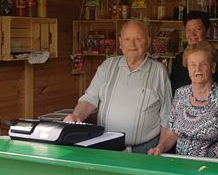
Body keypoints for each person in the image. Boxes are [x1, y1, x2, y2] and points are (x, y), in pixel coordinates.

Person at [64, 20, 172, 153]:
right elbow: (89, 99)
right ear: (120, 42)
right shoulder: (107, 66)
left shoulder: (159, 71)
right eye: (127, 39)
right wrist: (76, 116)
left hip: (145, 151)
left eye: (138, 39)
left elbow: (167, 116)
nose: (132, 44)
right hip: (107, 147)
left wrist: (160, 147)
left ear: (148, 41)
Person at [148, 41, 218, 163]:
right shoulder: (180, 94)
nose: (198, 69)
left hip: (213, 166)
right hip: (182, 165)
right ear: (188, 69)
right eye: (193, 65)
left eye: (203, 64)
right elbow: (172, 132)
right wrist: (160, 147)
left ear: (213, 68)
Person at [170, 11, 218, 96]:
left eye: (197, 29)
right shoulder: (178, 61)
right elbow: (174, 92)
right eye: (188, 30)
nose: (192, 34)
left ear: (207, 30)